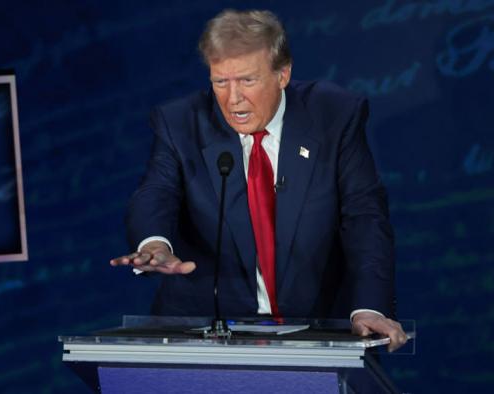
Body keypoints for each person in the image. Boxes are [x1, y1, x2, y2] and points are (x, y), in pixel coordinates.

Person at [111, 9, 407, 351]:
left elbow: (365, 218)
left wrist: (369, 306)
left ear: (283, 74)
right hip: (206, 336)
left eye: (247, 81)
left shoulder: (334, 116)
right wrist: (154, 244)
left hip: (317, 331)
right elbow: (155, 191)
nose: (233, 99)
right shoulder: (180, 123)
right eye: (221, 82)